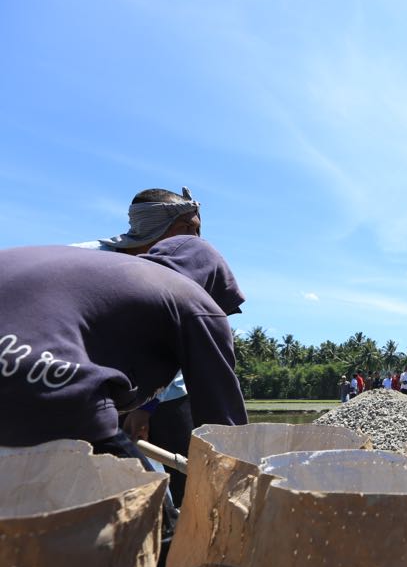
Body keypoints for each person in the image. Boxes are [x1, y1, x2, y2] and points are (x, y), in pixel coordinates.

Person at [0, 236, 247, 453]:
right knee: (142, 500)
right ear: (212, 286)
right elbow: (223, 428)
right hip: (32, 375)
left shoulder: (109, 273)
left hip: (15, 358)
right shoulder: (197, 303)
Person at [71, 187, 204, 505]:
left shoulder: (183, 267)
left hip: (170, 394)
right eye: (192, 230)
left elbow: (175, 343)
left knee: (191, 484)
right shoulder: (85, 260)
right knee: (110, 481)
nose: (198, 242)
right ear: (173, 229)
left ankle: (184, 541)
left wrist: (145, 408)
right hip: (101, 392)